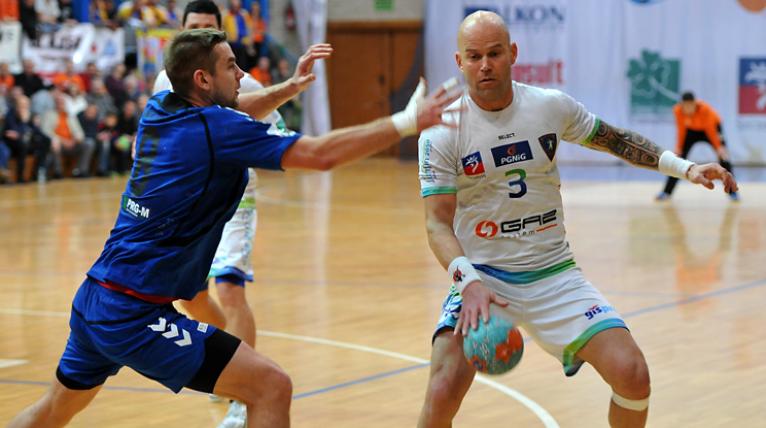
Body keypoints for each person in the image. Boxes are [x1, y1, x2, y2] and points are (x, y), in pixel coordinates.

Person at [8, 27, 459, 428]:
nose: (243, 73)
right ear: (202, 79)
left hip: (96, 297)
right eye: (230, 66)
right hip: (134, 314)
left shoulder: (160, 108)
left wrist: (289, 88)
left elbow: (239, 107)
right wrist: (406, 122)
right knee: (271, 386)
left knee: (53, 412)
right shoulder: (216, 130)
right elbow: (319, 155)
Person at [416, 11, 737, 428]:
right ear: (459, 62)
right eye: (474, 56)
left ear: (513, 53)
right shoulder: (442, 132)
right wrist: (469, 283)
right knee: (443, 390)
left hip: (554, 273)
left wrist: (685, 168)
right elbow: (437, 224)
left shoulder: (549, 107)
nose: (485, 65)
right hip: (483, 277)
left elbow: (615, 140)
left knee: (633, 374)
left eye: (495, 53)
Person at [151, 2, 329, 425]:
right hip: (187, 202)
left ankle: (241, 396)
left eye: (208, 28)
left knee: (230, 288)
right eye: (193, 28)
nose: (200, 35)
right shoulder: (165, 80)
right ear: (180, 32)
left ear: (221, 33)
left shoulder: (240, 80)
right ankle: (231, 361)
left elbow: (277, 130)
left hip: (234, 198)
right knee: (190, 297)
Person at [656, 91, 739, 201]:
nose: (688, 109)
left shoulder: (704, 109)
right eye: (685, 106)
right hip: (691, 131)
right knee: (677, 159)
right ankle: (666, 192)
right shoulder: (677, 110)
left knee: (724, 157)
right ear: (682, 105)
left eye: (690, 106)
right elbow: (681, 129)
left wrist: (719, 147)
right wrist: (679, 147)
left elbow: (710, 129)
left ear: (695, 103)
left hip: (712, 129)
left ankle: (732, 191)